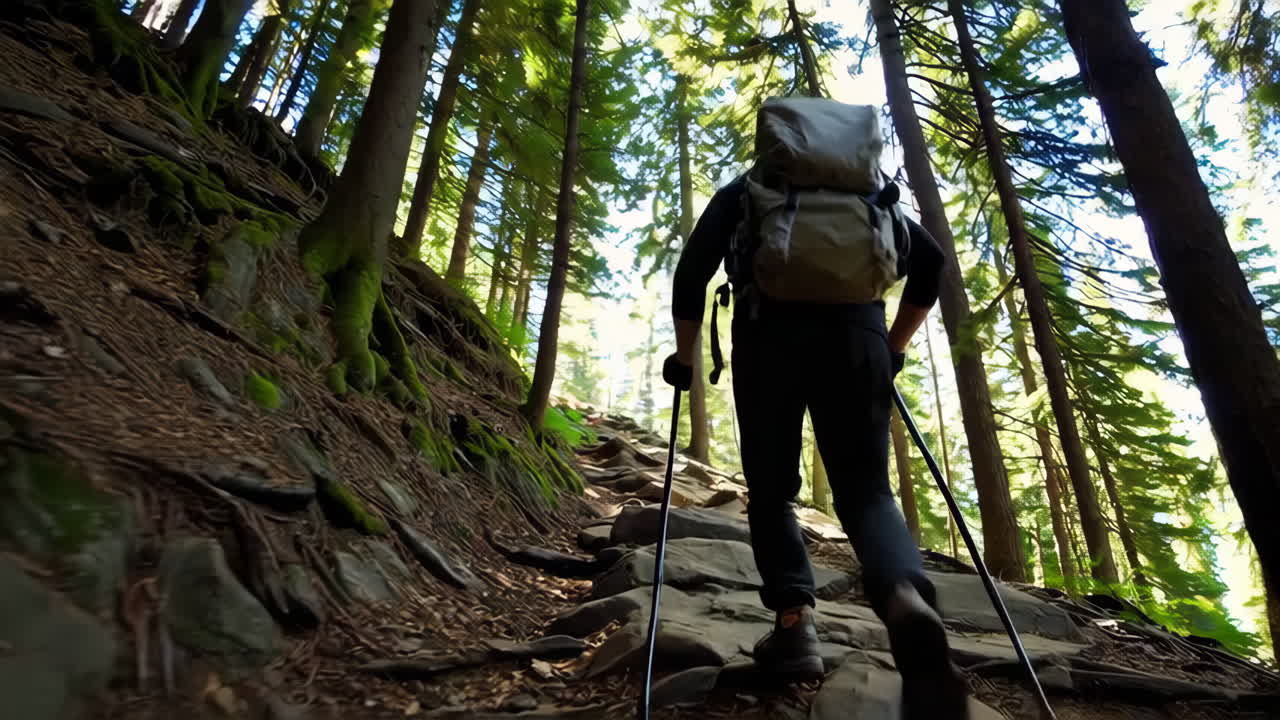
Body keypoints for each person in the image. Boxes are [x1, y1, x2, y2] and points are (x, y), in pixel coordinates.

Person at [663, 170, 969, 718]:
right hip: (859, 338)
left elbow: (692, 273)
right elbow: (932, 263)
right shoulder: (868, 191)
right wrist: (893, 346)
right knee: (868, 493)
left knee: (772, 490)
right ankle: (905, 598)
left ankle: (795, 627)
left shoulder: (750, 189)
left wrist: (685, 358)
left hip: (766, 336)